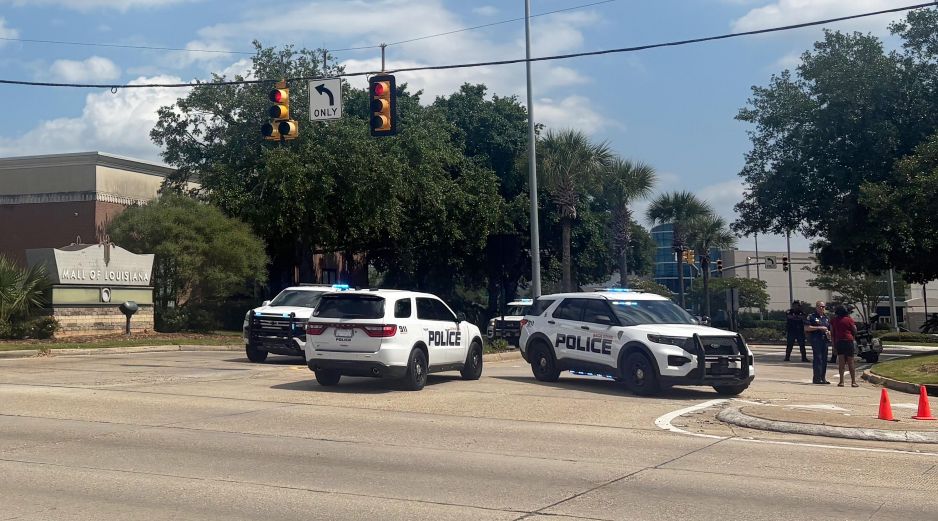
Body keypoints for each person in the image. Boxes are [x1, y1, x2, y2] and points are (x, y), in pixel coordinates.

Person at [830, 305, 859, 387]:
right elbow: (855, 330)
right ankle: (853, 382)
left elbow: (832, 333)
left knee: (841, 362)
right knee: (851, 362)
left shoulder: (834, 320)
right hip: (849, 341)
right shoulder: (849, 319)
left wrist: (833, 345)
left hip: (839, 341)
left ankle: (841, 381)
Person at [805, 301, 832, 384]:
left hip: (825, 340)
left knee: (824, 359)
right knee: (818, 358)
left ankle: (823, 378)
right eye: (820, 306)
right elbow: (807, 328)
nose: (822, 308)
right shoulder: (812, 317)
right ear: (816, 307)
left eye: (823, 307)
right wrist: (819, 328)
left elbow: (829, 328)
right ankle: (817, 378)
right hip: (816, 340)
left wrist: (829, 333)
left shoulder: (826, 318)